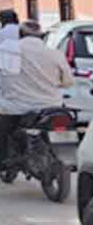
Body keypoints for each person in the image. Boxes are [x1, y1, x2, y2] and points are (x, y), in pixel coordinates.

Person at [0, 20, 73, 173]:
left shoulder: (7, 53)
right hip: (51, 106)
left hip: (15, 108)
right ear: (42, 36)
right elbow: (68, 82)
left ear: (20, 35)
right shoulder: (55, 54)